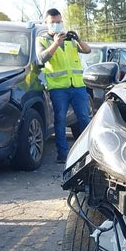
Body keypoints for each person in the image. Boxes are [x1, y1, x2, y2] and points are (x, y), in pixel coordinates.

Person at [37, 8, 92, 163]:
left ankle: (88, 152)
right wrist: (56, 43)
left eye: (59, 21)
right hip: (58, 88)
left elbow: (87, 50)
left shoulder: (70, 39)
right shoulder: (42, 40)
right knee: (60, 120)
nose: (57, 24)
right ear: (46, 23)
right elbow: (41, 58)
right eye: (53, 22)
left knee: (84, 118)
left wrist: (78, 40)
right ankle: (63, 154)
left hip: (77, 86)